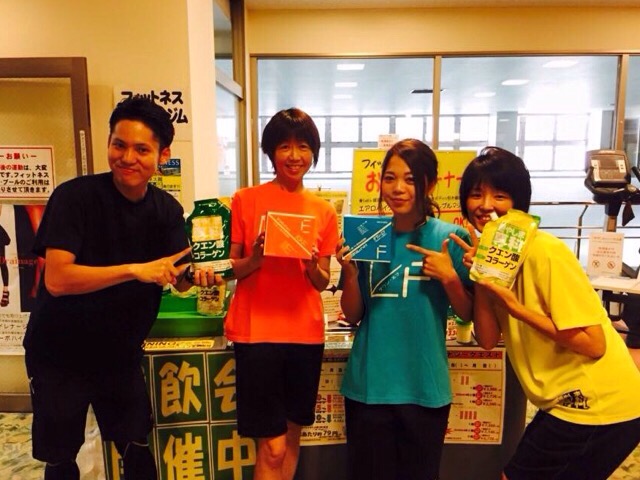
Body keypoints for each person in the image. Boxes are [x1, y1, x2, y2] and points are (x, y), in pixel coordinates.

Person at [23, 96, 217, 480]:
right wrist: (134, 270)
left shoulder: (166, 210)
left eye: (141, 149)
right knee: (61, 456)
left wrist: (199, 276)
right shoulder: (74, 197)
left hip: (119, 354)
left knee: (135, 443)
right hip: (58, 353)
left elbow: (178, 277)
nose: (127, 157)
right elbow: (57, 280)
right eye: (119, 145)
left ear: (162, 155)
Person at [453, 146, 640, 480]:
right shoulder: (497, 257)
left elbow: (593, 343)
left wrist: (516, 309)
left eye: (500, 195)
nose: (485, 205)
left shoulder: (545, 250)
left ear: (520, 202)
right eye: (476, 194)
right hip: (565, 403)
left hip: (599, 404)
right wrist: (481, 275)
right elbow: (488, 339)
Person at [336, 138, 473, 480]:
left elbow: (468, 313)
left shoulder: (450, 238)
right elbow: (352, 315)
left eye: (410, 179)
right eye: (390, 178)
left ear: (430, 184)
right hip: (369, 386)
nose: (398, 188)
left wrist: (450, 278)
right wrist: (350, 274)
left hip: (424, 387)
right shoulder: (367, 236)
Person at [224, 107, 339, 480]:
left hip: (304, 333)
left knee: (291, 436)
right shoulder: (245, 199)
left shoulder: (323, 211)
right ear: (271, 152)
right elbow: (231, 268)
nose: (294, 155)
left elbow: (322, 281)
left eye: (303, 146)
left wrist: (310, 265)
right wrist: (256, 258)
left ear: (313, 152)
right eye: (284, 146)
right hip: (257, 333)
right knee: (272, 446)